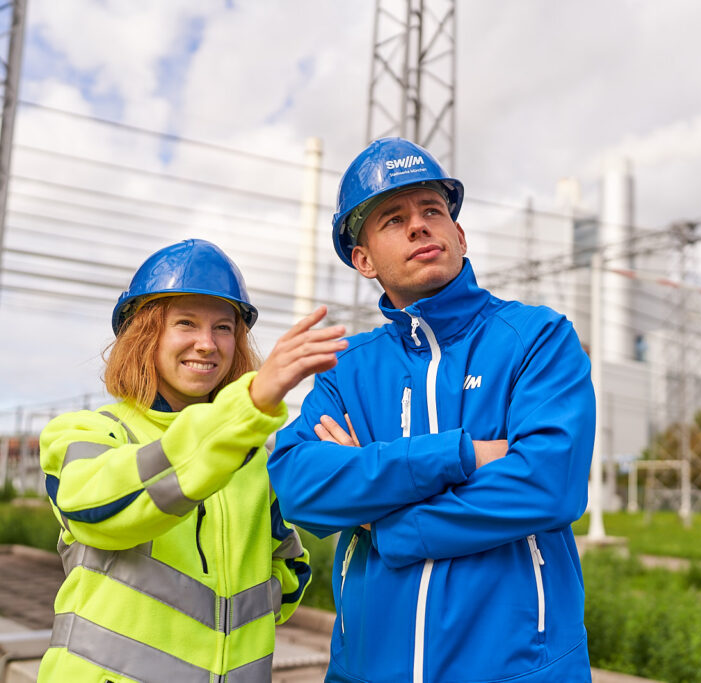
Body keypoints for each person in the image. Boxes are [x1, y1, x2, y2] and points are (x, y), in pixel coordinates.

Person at [269, 138, 596, 682]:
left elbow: (548, 482)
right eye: (394, 219)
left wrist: (384, 518)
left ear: (459, 236)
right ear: (363, 259)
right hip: (368, 670)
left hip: (520, 670)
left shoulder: (536, 338)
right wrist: (461, 454)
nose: (419, 226)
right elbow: (300, 487)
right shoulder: (347, 369)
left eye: (432, 211)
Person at [38, 239, 347, 682]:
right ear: (144, 334)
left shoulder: (251, 461)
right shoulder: (87, 433)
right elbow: (97, 510)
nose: (207, 344)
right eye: (186, 323)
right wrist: (249, 406)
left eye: (223, 328)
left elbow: (292, 570)